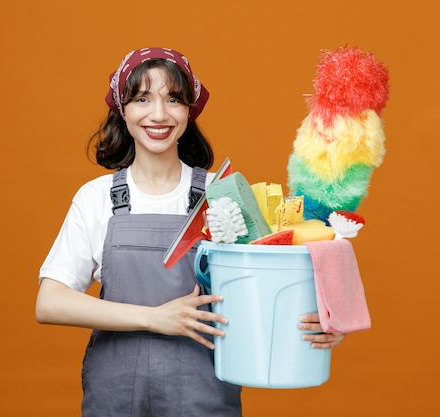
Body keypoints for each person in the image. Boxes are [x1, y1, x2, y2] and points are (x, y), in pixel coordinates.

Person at [36, 47, 346, 416]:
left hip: (204, 396)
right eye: (142, 99)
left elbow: (263, 289)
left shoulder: (223, 193)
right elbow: (49, 302)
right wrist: (155, 318)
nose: (159, 114)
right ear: (122, 108)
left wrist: (322, 320)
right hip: (115, 396)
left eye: (173, 99)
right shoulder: (96, 198)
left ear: (189, 110)